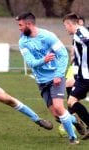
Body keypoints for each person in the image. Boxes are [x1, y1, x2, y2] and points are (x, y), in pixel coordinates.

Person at [15, 12, 82, 144]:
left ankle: (73, 138)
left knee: (58, 107)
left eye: (20, 25)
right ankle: (75, 120)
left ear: (29, 24)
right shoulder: (23, 41)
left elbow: (63, 55)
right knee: (57, 115)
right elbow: (31, 63)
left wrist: (58, 74)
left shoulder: (48, 36)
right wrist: (44, 60)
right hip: (41, 81)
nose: (19, 28)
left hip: (55, 77)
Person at [63, 12, 89, 140]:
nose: (65, 29)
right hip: (82, 75)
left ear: (69, 24)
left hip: (86, 76)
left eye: (65, 26)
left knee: (72, 102)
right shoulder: (80, 33)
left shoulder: (80, 33)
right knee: (72, 101)